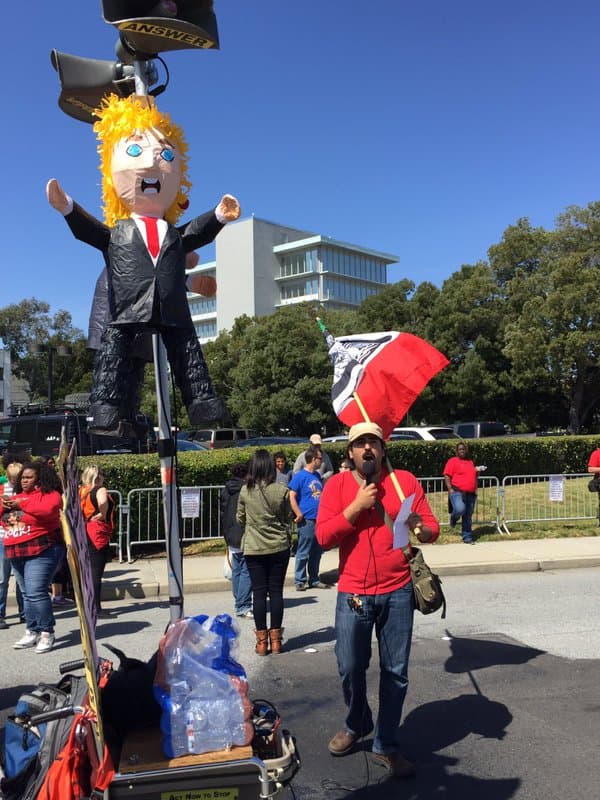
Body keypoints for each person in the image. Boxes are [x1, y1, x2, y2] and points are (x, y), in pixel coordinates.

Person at [47, 93, 240, 435]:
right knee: (114, 357)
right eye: (135, 151)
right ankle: (106, 408)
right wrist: (67, 207)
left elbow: (196, 232)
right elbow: (91, 231)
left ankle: (203, 403)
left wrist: (218, 217)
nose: (152, 162)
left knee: (188, 352)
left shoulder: (173, 235)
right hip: (128, 307)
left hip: (171, 307)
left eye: (165, 154)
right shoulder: (118, 232)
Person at [316, 421, 439, 778]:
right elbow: (323, 536)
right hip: (353, 591)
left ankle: (386, 743)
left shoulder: (405, 482)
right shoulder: (337, 485)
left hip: (398, 589)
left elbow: (431, 530)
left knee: (396, 673)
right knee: (350, 666)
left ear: (383, 450)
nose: (367, 448)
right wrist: (356, 507)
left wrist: (422, 528)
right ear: (350, 452)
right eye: (360, 443)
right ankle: (357, 722)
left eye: (374, 442)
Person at [2, 461, 65, 653]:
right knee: (27, 593)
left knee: (36, 591)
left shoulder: (49, 495)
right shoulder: (14, 497)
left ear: (40, 478)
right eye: (22, 478)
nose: (24, 481)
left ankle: (47, 632)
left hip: (42, 549)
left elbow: (47, 511)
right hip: (15, 550)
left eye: (29, 477)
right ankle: (32, 630)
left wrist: (23, 504)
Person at [236, 449, 292, 655]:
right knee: (276, 592)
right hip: (278, 545)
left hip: (254, 547)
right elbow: (287, 517)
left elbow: (240, 518)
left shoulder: (245, 491)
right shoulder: (281, 490)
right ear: (270, 466)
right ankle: (276, 640)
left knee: (258, 593)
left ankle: (261, 642)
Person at [289, 446, 329, 591]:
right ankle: (300, 580)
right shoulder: (300, 476)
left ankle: (314, 578)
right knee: (303, 550)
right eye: (319, 458)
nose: (321, 461)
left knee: (317, 551)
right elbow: (292, 495)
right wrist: (298, 513)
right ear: (313, 459)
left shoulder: (317, 476)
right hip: (307, 519)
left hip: (319, 518)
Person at [79, 466, 116, 619]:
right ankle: (95, 609)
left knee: (89, 571)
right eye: (101, 473)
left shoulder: (82, 491)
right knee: (95, 572)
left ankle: (91, 606)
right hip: (97, 532)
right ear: (97, 476)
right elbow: (102, 502)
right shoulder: (100, 489)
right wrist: (103, 513)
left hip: (85, 530)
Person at [220, 462, 253, 619]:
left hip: (230, 532)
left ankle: (239, 598)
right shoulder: (245, 490)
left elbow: (222, 512)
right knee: (246, 570)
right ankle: (243, 604)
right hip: (242, 532)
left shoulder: (226, 489)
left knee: (238, 568)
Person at [0, 459, 27, 629]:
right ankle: (0, 614)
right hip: (4, 538)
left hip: (22, 537)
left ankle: (25, 612)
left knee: (21, 579)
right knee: (2, 578)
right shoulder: (2, 491)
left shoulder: (26, 493)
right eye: (13, 479)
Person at [443, 442, 481, 544]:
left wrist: (477, 473)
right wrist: (450, 488)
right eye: (460, 449)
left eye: (464, 449)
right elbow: (446, 475)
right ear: (457, 451)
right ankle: (453, 518)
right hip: (457, 491)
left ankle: (467, 537)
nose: (462, 450)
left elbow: (474, 477)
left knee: (468, 516)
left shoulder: (470, 462)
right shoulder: (453, 461)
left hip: (471, 493)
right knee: (460, 509)